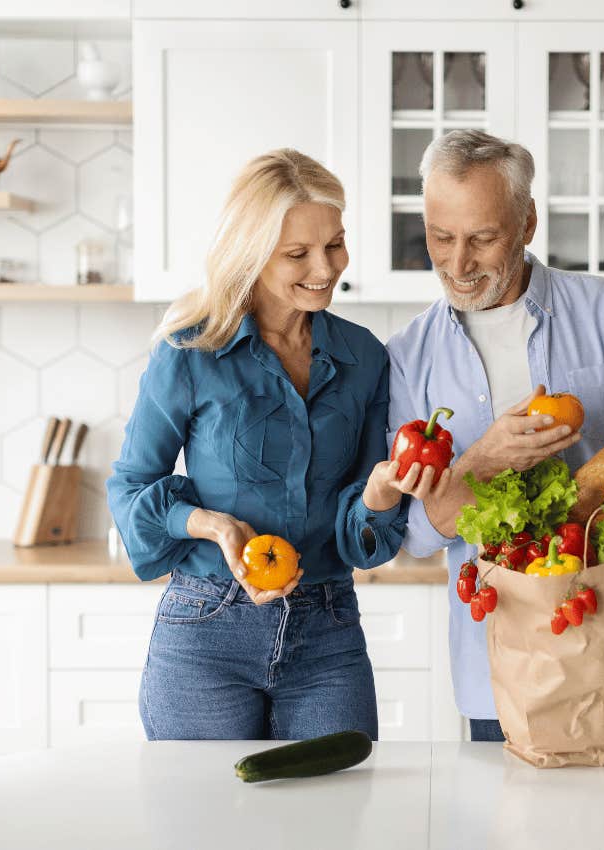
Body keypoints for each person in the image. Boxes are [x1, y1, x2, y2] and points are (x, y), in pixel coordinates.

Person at [386, 130, 604, 743]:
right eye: (441, 237)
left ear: (527, 223)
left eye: (482, 238)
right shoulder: (409, 357)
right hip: (508, 674)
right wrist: (482, 460)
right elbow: (411, 533)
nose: (458, 264)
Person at [107, 149, 447, 742]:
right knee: (204, 825)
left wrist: (378, 493)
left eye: (335, 244)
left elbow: (362, 536)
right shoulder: (190, 352)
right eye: (298, 253)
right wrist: (212, 524)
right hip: (207, 627)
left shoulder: (364, 357)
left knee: (333, 822)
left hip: (328, 629)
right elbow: (131, 490)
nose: (326, 266)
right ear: (253, 253)